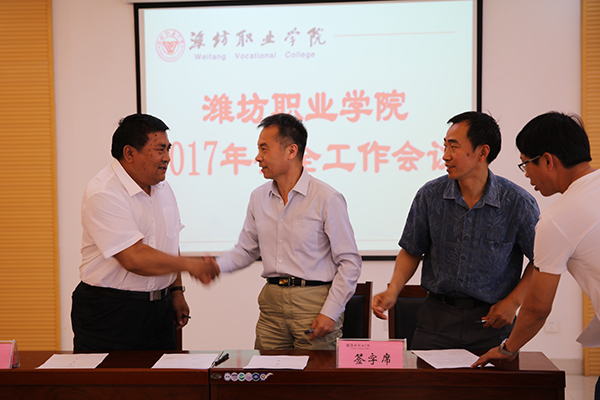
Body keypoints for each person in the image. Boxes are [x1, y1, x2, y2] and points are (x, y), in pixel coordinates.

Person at [372, 111, 540, 352]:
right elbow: (411, 249)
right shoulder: (430, 195)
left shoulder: (517, 202)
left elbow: (540, 260)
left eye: (454, 147)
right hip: (436, 321)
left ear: (482, 152)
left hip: (492, 322)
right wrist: (393, 290)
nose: (445, 155)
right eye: (445, 146)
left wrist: (514, 302)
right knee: (425, 377)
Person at [472, 112, 600, 395]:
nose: (527, 174)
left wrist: (507, 349)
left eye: (525, 163)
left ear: (548, 160)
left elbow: (537, 308)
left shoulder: (558, 219)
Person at [71, 113, 219, 351]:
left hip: (160, 308)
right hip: (111, 311)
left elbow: (169, 241)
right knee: (112, 377)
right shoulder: (104, 192)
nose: (167, 157)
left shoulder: (163, 188)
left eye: (168, 149)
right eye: (160, 149)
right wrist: (190, 265)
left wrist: (176, 291)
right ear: (129, 153)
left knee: (165, 375)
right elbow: (134, 258)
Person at [215, 113, 362, 350]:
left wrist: (330, 312)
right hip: (271, 305)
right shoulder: (258, 197)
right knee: (265, 371)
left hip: (314, 303)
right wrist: (214, 266)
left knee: (314, 373)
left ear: (291, 151)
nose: (258, 157)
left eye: (264, 149)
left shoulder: (327, 198)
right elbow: (246, 250)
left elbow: (350, 262)